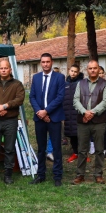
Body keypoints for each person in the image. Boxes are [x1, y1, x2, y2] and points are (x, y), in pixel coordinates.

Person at [29, 53, 66, 186]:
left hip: (54, 117)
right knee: (41, 148)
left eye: (48, 62)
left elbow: (60, 97)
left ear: (52, 62)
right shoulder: (36, 78)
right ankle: (41, 175)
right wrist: (40, 112)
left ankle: (57, 176)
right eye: (43, 62)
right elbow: (32, 97)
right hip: (39, 118)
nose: (45, 64)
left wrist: (47, 111)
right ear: (40, 63)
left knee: (56, 147)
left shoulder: (60, 78)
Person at [72, 60, 106, 184]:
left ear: (99, 69)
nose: (93, 70)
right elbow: (76, 100)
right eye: (90, 68)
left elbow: (105, 102)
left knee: (99, 149)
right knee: (82, 149)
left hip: (99, 121)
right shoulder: (80, 83)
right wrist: (84, 112)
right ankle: (80, 175)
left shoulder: (105, 84)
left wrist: (92, 112)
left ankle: (98, 174)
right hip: (82, 121)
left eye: (95, 68)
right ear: (87, 70)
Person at [63, 64, 83, 163]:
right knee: (71, 134)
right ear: (69, 71)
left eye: (75, 71)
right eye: (72, 71)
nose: (73, 73)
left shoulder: (82, 83)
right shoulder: (65, 84)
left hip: (78, 112)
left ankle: (83, 154)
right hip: (68, 113)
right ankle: (75, 152)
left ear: (78, 72)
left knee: (81, 134)